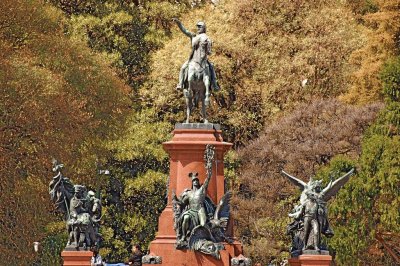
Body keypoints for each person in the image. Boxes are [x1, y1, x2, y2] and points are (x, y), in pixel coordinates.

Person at [172, 18, 219, 91]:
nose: (198, 28)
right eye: (197, 27)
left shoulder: (207, 38)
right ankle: (180, 84)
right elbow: (185, 31)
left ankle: (214, 85)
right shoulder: (194, 36)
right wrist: (178, 23)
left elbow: (209, 52)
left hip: (203, 60)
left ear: (204, 28)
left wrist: (208, 47)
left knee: (211, 67)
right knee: (183, 68)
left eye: (200, 27)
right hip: (193, 59)